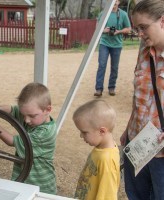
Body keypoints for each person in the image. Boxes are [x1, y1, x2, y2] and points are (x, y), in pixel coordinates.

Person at [120, 0, 164, 199]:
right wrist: (128, 128)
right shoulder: (144, 49)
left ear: (162, 21)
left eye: (144, 27)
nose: (139, 34)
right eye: (137, 28)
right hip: (137, 143)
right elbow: (141, 96)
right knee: (135, 195)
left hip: (160, 153)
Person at [0, 82, 57, 194]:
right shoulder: (33, 118)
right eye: (24, 115)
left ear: (48, 109)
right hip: (25, 180)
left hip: (41, 186)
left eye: (32, 116)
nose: (26, 120)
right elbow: (13, 109)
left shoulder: (44, 133)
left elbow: (11, 141)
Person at [73, 100, 120, 200]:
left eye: (84, 132)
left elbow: (108, 196)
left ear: (102, 131)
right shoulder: (100, 148)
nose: (81, 136)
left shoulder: (107, 160)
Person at [94, 0, 131, 97]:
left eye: (115, 1)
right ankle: (98, 89)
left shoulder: (123, 14)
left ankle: (111, 87)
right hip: (104, 43)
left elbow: (128, 28)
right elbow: (97, 29)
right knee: (101, 65)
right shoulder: (103, 13)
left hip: (117, 44)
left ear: (118, 2)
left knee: (114, 67)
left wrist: (119, 31)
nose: (113, 2)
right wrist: (104, 30)